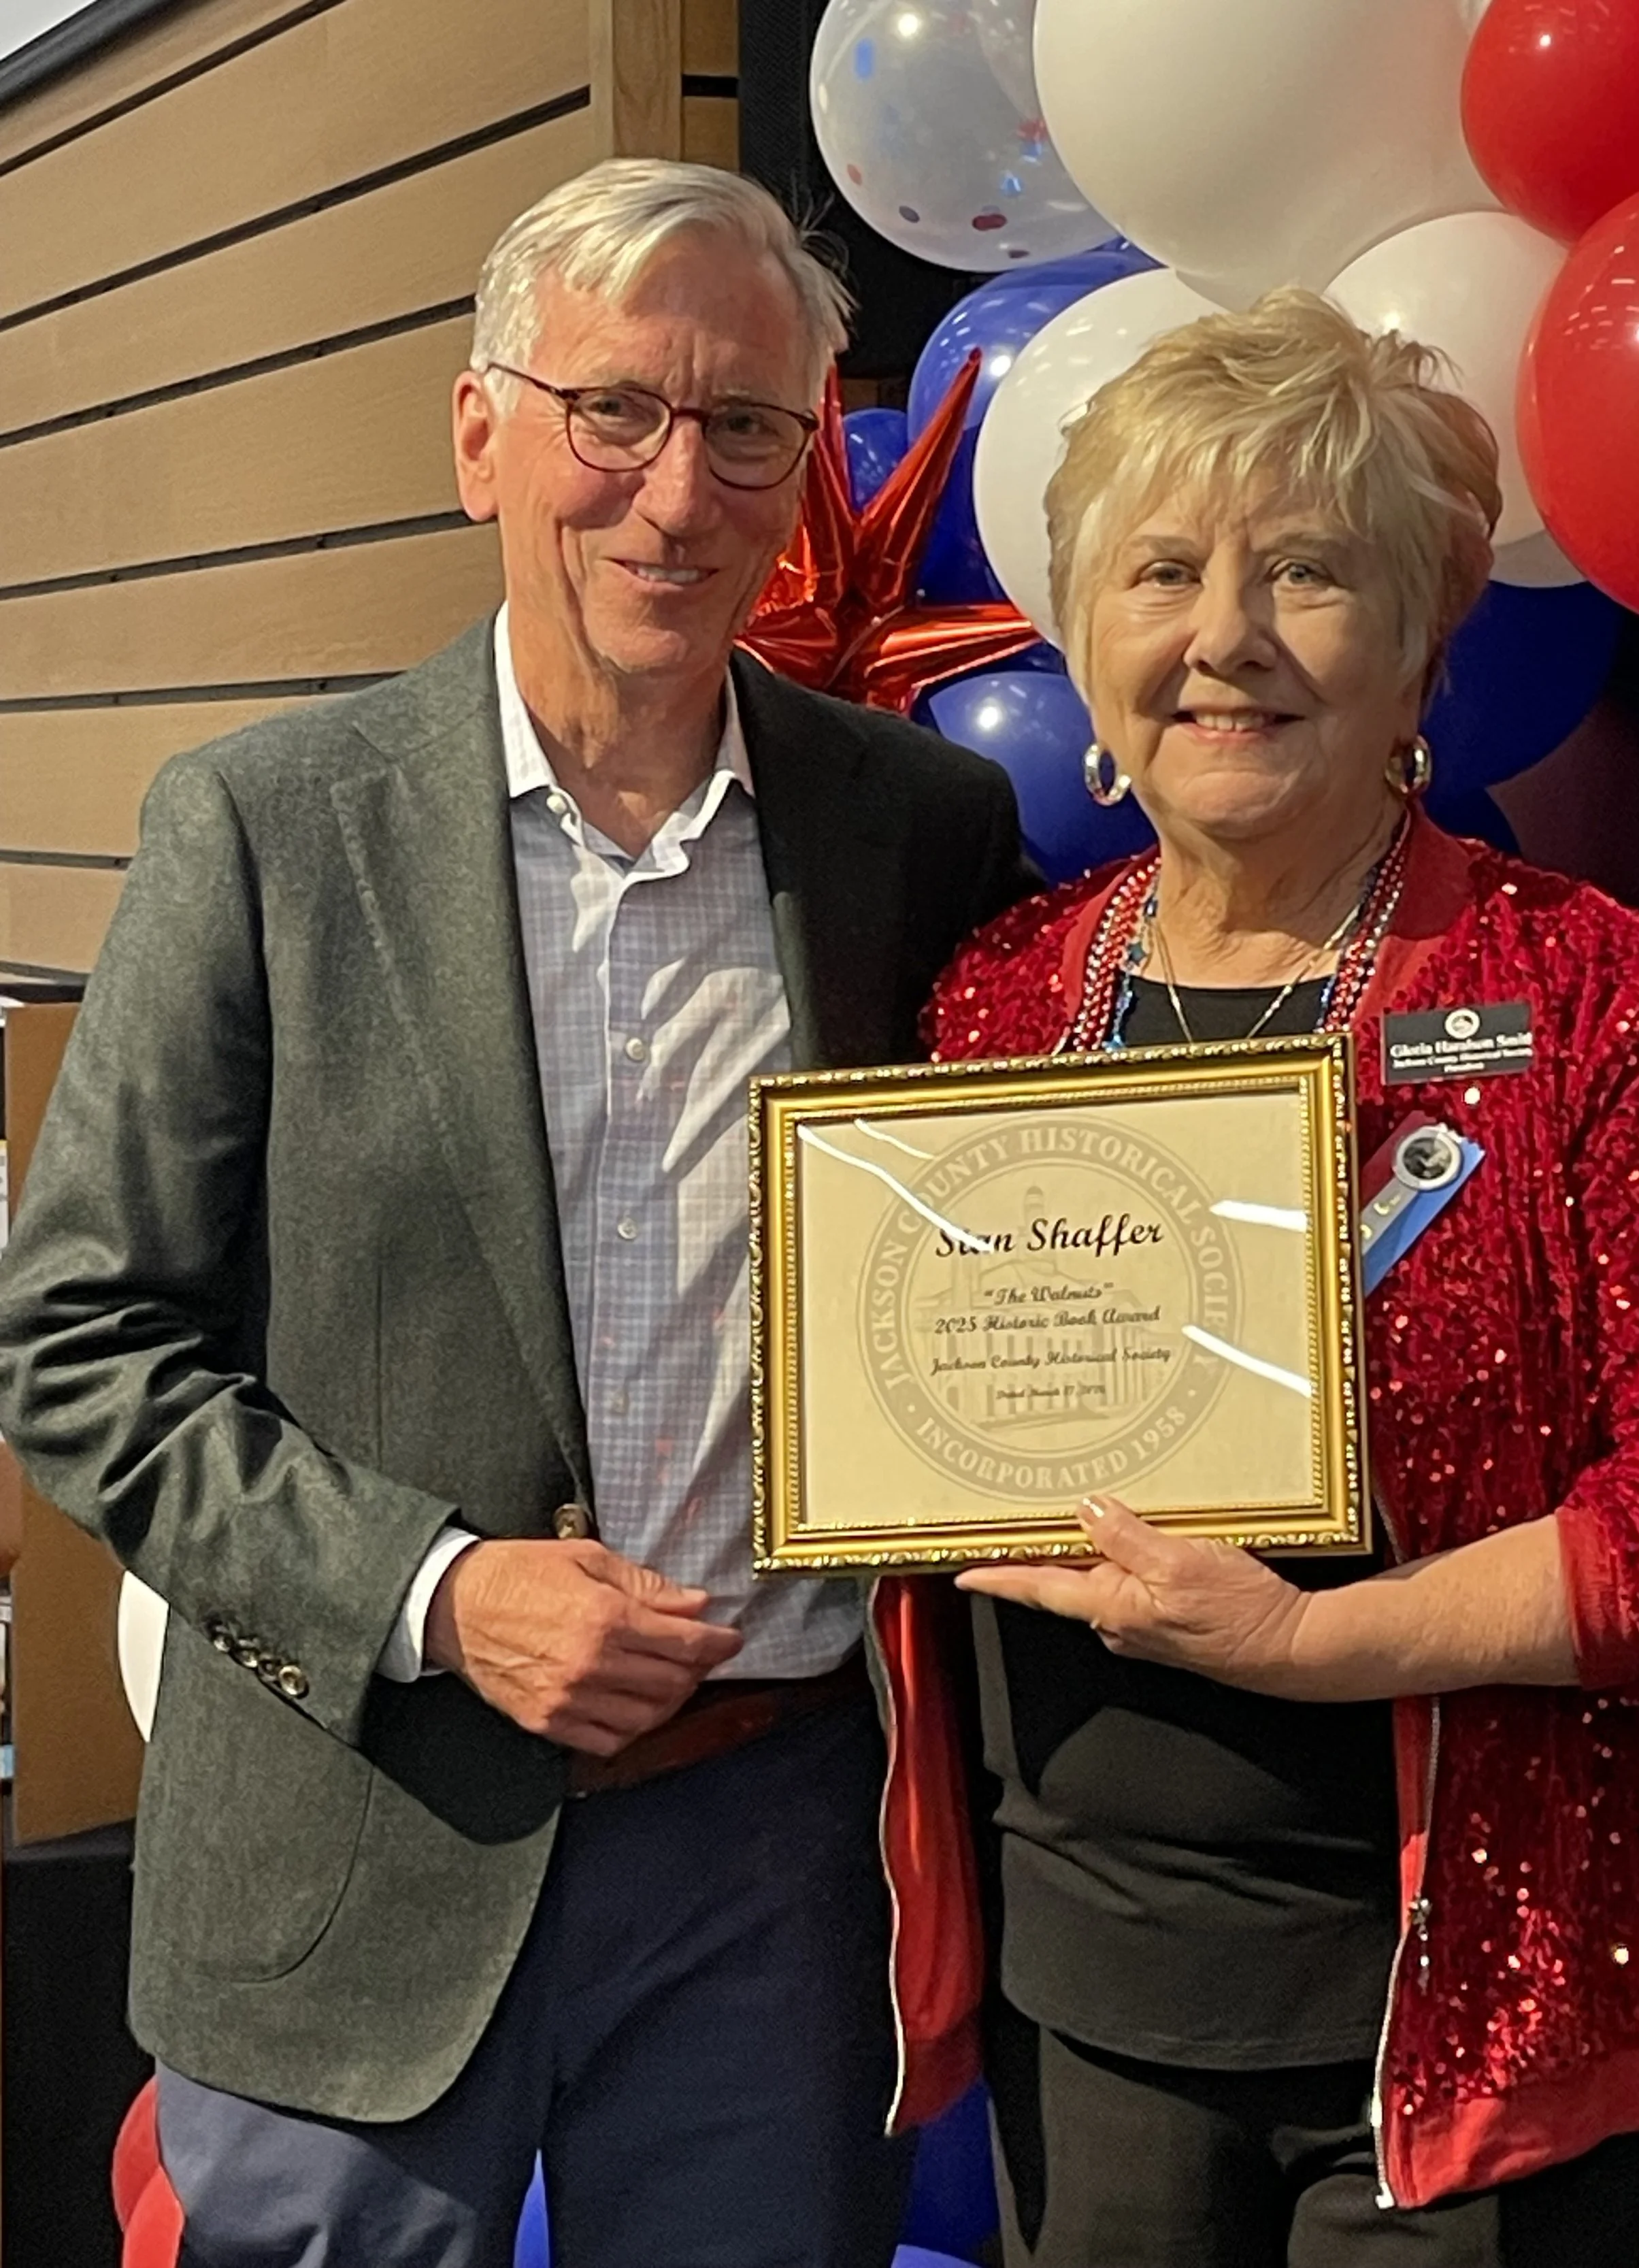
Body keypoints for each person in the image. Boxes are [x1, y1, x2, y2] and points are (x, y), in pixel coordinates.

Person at [0, 159, 1032, 2268]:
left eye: (743, 425)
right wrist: (439, 1590)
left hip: (766, 1871)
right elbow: (78, 1342)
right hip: (356, 1833)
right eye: (614, 410)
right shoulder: (263, 829)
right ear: (481, 434)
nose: (676, 490)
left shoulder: (916, 829)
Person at [914, 291, 1639, 2265]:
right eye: (1161, 571)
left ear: (1424, 638)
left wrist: (1309, 1642)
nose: (1224, 636)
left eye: (1306, 572)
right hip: (1080, 2014)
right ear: (1080, 632)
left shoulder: (1598, 999)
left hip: (1474, 2032)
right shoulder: (994, 1006)